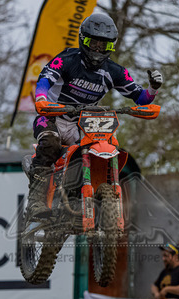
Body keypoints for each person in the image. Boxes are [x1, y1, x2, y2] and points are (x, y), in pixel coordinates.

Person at [27, 13, 164, 219]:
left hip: (81, 123)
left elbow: (141, 98)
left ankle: (77, 197)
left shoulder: (115, 71)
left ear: (111, 46)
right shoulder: (66, 59)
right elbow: (45, 79)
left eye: (104, 45)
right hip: (52, 116)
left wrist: (153, 88)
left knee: (92, 151)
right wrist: (41, 99)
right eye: (94, 43)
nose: (98, 49)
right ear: (83, 40)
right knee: (50, 143)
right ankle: (35, 202)